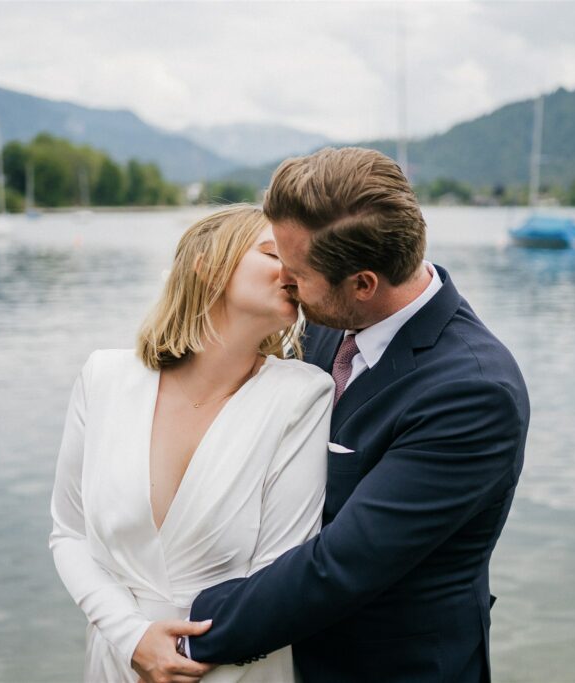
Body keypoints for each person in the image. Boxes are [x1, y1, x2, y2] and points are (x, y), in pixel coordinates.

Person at [141, 147, 530, 683]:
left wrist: (180, 626)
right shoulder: (328, 318)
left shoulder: (473, 391)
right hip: (290, 657)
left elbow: (343, 564)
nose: (285, 280)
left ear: (363, 284)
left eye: (295, 271)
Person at [48, 205, 335, 682]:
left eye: (299, 258)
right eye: (272, 252)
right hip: (118, 659)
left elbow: (280, 575)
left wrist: (182, 654)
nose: (296, 269)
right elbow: (69, 533)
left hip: (234, 665)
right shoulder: (104, 377)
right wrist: (132, 638)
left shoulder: (303, 395)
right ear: (208, 264)